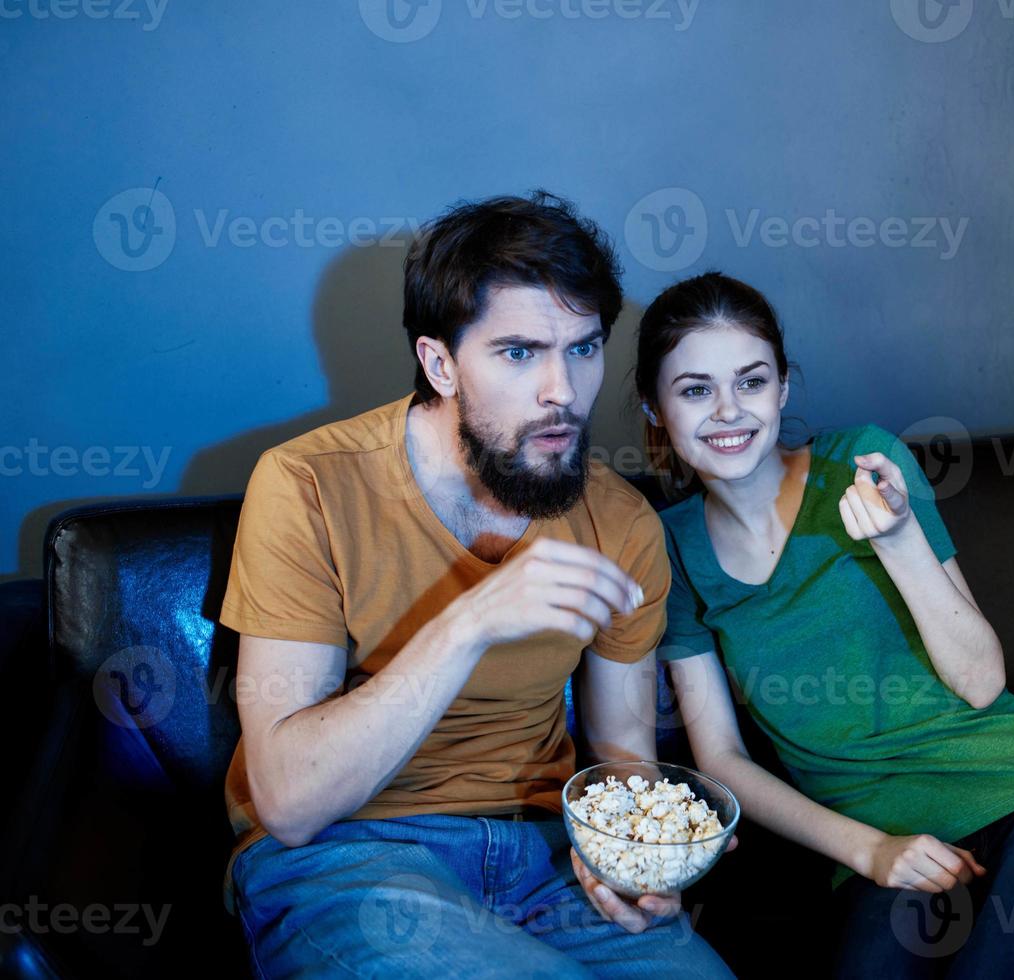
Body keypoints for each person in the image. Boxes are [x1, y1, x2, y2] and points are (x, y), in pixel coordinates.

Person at [218, 193, 734, 979]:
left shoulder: (621, 521)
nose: (561, 390)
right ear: (439, 363)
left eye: (584, 348)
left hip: (548, 859)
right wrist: (468, 623)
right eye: (520, 353)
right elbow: (289, 803)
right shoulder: (306, 486)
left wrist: (628, 848)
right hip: (350, 855)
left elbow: (622, 746)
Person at [634, 271, 1014, 978]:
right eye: (695, 390)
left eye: (750, 383)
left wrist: (900, 538)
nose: (728, 411)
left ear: (783, 388)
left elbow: (979, 682)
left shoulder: (860, 461)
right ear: (655, 407)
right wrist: (868, 850)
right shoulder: (667, 544)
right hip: (885, 841)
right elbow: (721, 759)